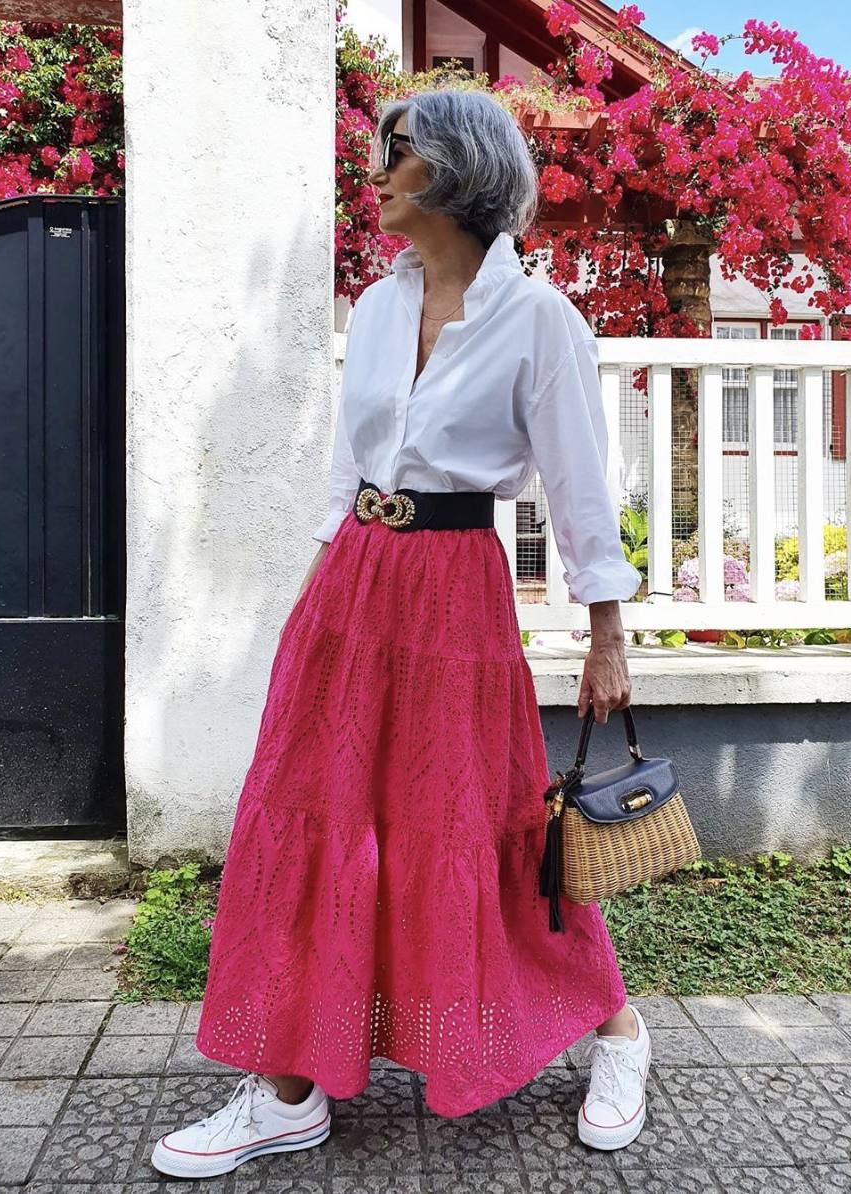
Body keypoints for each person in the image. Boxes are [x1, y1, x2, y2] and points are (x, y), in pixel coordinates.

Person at [151, 87, 650, 1180]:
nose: (376, 173)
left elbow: (578, 486)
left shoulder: (539, 321)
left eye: (398, 153)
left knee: (476, 822)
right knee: (311, 811)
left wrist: (605, 633)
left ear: (457, 172)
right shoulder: (377, 309)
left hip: (455, 589)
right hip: (354, 583)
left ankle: (615, 1030)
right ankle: (290, 1089)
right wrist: (315, 596)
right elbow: (348, 470)